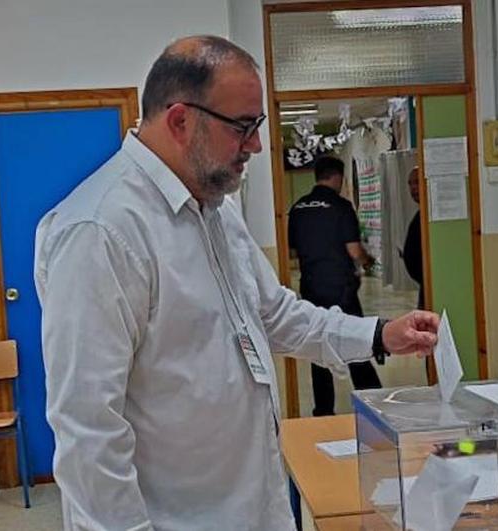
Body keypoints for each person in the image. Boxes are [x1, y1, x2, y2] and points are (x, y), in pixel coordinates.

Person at [34, 36, 441, 531]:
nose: (257, 145)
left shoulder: (215, 211)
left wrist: (378, 334)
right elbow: (87, 431)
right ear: (181, 121)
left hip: (254, 505)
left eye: (259, 126)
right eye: (243, 127)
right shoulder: (101, 232)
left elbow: (274, 315)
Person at [288, 155, 383, 417]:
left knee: (318, 348)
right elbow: (354, 250)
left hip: (312, 288)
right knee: (356, 343)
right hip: (341, 288)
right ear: (338, 177)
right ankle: (374, 404)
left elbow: (293, 252)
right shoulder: (341, 207)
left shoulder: (297, 208)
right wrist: (368, 261)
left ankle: (323, 411)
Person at [401, 165, 424, 309]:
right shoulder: (419, 215)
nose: (413, 188)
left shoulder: (428, 220)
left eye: (416, 182)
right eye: (410, 184)